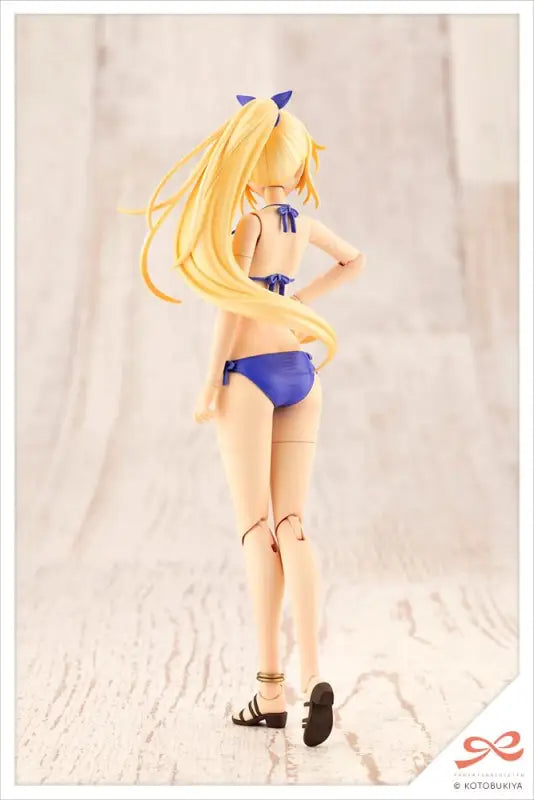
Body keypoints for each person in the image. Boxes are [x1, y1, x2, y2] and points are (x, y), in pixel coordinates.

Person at [121, 90, 365, 747]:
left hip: (249, 374)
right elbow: (355, 259)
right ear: (297, 162)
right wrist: (299, 305)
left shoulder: (249, 226)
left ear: (244, 163)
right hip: (299, 370)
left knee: (256, 527)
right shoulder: (303, 224)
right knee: (294, 523)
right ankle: (315, 674)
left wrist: (209, 383)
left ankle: (270, 690)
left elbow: (231, 309)